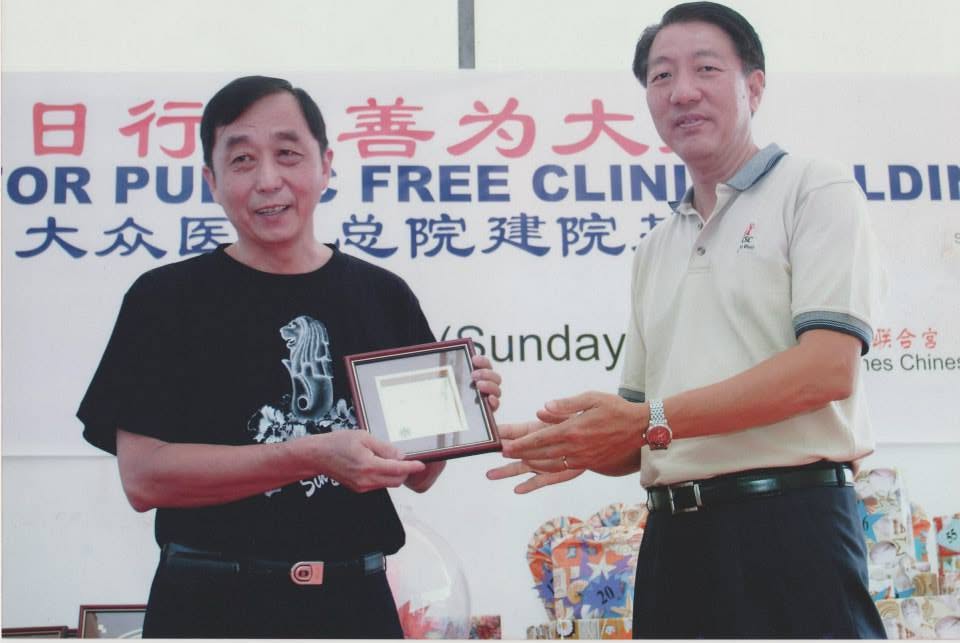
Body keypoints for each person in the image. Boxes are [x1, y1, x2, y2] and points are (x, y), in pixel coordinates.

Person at [488, 2, 887, 638]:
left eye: (706, 69)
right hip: (675, 539)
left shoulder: (815, 188)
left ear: (754, 85)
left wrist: (647, 420)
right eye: (661, 76)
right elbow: (641, 430)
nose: (682, 92)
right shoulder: (656, 247)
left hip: (792, 525)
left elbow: (825, 371)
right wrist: (573, 442)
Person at [77, 75, 502, 639]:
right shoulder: (164, 300)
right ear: (212, 180)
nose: (267, 180)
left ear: (325, 165)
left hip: (355, 606)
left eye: (287, 154)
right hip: (208, 607)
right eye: (242, 160)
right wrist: (312, 455)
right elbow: (144, 478)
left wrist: (461, 410)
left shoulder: (382, 295)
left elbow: (419, 473)